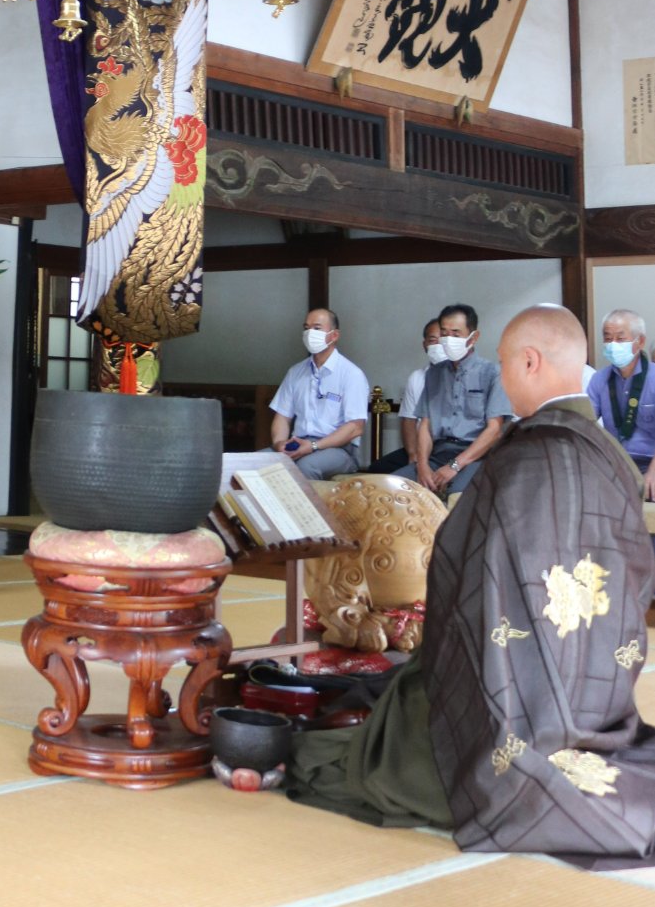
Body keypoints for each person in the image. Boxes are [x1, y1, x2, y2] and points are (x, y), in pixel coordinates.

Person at [288, 304, 655, 867]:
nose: (502, 379)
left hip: (511, 692)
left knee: (334, 756)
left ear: (529, 362)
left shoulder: (529, 457)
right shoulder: (608, 455)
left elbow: (461, 563)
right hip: (598, 689)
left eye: (506, 364)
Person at [398, 301, 511, 494]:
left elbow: (494, 430)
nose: (448, 339)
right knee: (392, 488)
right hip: (438, 454)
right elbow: (425, 424)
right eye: (444, 333)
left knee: (457, 495)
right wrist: (423, 465)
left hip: (476, 457)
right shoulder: (433, 374)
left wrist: (455, 466)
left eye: (456, 334)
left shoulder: (493, 374)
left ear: (473, 337)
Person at [269, 308, 369, 478]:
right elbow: (282, 417)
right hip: (298, 442)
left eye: (316, 328)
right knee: (255, 463)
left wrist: (314, 446)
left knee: (305, 467)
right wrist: (279, 444)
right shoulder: (296, 372)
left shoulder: (351, 374)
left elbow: (355, 427)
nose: (309, 333)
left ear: (334, 335)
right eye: (306, 328)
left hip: (338, 449)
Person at [588, 309, 655, 500]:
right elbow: (586, 422)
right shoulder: (599, 379)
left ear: (639, 342)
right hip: (616, 463)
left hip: (651, 462)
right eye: (608, 339)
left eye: (620, 339)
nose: (612, 345)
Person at [370, 317, 442, 472]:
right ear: (424, 345)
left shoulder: (465, 377)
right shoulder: (417, 377)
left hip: (448, 450)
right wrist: (413, 454)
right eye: (433, 340)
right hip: (420, 447)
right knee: (377, 469)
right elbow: (408, 420)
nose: (438, 346)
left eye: (442, 340)